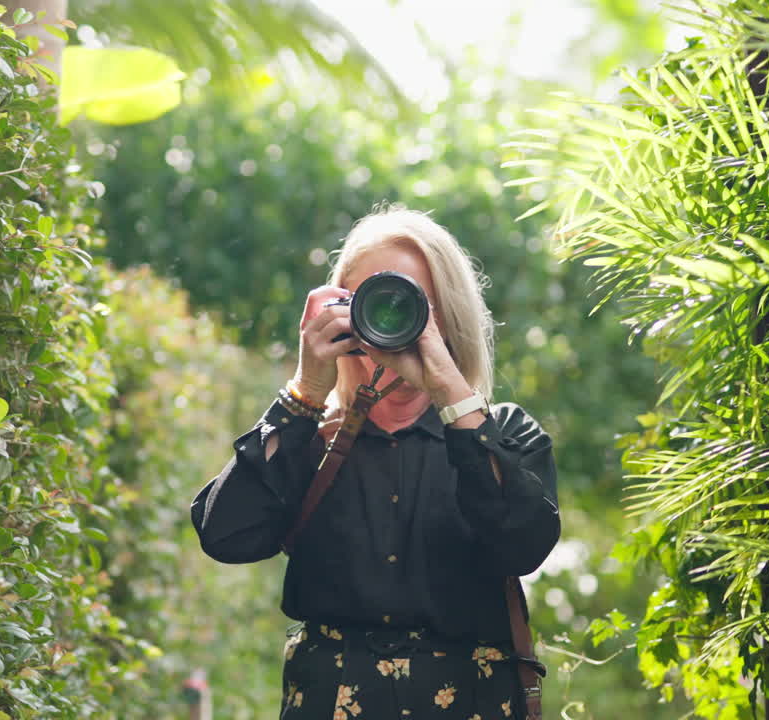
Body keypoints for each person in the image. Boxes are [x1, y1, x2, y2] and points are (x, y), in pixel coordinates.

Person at [191, 206, 560, 719]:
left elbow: (524, 542)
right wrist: (306, 389)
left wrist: (447, 382)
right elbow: (226, 536)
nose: (393, 318)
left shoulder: (504, 436)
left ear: (449, 317)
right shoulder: (311, 439)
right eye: (372, 301)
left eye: (416, 305)